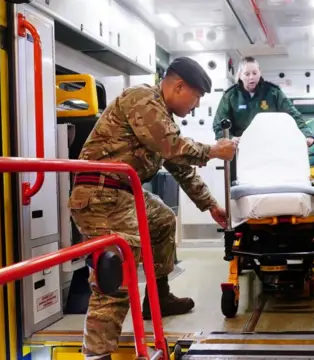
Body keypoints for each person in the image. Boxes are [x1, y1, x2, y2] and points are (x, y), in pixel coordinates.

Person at [68, 57, 236, 359]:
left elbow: (180, 167)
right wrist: (213, 151)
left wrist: (210, 205)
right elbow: (173, 147)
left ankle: (158, 298)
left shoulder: (162, 117)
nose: (196, 106)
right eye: (196, 97)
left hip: (123, 193)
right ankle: (97, 353)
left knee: (161, 219)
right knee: (116, 271)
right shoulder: (143, 99)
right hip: (100, 194)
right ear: (179, 86)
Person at [212, 57, 314, 181]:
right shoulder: (230, 96)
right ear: (240, 75)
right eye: (247, 74)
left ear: (260, 72)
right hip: (243, 153)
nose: (251, 77)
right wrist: (230, 138)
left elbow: (292, 114)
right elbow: (219, 125)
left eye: (254, 73)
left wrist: (306, 134)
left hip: (270, 151)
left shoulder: (273, 92)